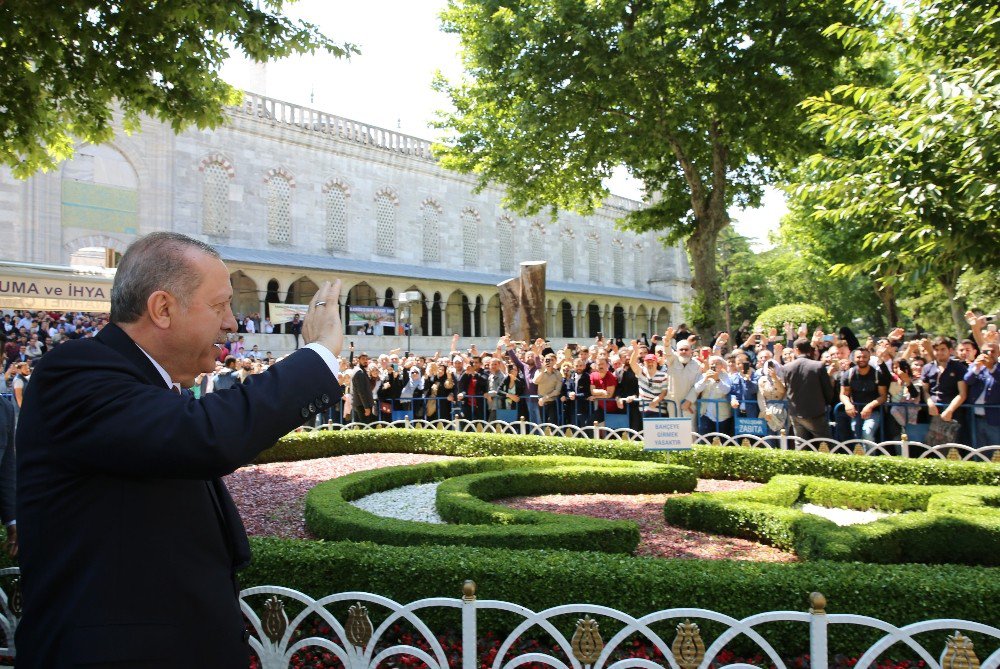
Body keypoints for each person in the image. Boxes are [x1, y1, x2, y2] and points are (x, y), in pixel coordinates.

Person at [14, 232, 344, 668]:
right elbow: (205, 436)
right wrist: (319, 355)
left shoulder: (147, 388)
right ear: (163, 309)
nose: (232, 323)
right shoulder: (76, 372)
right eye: (218, 305)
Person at [778, 338, 836, 439]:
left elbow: (788, 388)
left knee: (801, 443)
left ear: (796, 350)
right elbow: (827, 390)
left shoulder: (787, 367)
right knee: (825, 442)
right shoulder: (818, 366)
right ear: (809, 349)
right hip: (816, 411)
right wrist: (826, 403)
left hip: (796, 411)